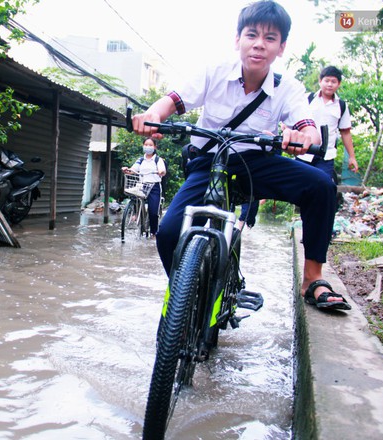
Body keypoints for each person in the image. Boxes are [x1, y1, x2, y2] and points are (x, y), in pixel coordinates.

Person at [132, 0, 350, 311]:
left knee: (320, 186)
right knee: (168, 232)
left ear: (281, 47)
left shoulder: (287, 87)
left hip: (256, 165)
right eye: (252, 35)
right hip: (209, 162)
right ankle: (185, 298)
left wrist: (301, 137)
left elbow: (309, 128)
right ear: (238, 40)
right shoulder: (213, 72)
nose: (259, 44)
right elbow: (171, 101)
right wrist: (150, 116)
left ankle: (313, 278)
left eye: (270, 38)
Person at [297, 65, 358, 180]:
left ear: (339, 84)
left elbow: (345, 132)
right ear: (320, 81)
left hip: (326, 157)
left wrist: (352, 157)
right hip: (304, 153)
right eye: (327, 81)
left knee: (322, 187)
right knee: (300, 188)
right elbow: (293, 118)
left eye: (333, 81)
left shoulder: (341, 106)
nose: (330, 84)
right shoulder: (307, 99)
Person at [121, 137, 166, 238]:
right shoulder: (141, 160)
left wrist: (161, 171)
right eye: (146, 145)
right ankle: (136, 214)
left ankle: (154, 232)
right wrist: (127, 170)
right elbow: (133, 169)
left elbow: (162, 170)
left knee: (153, 212)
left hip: (154, 187)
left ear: (155, 147)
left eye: (150, 145)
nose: (148, 147)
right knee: (134, 197)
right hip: (142, 185)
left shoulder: (158, 160)